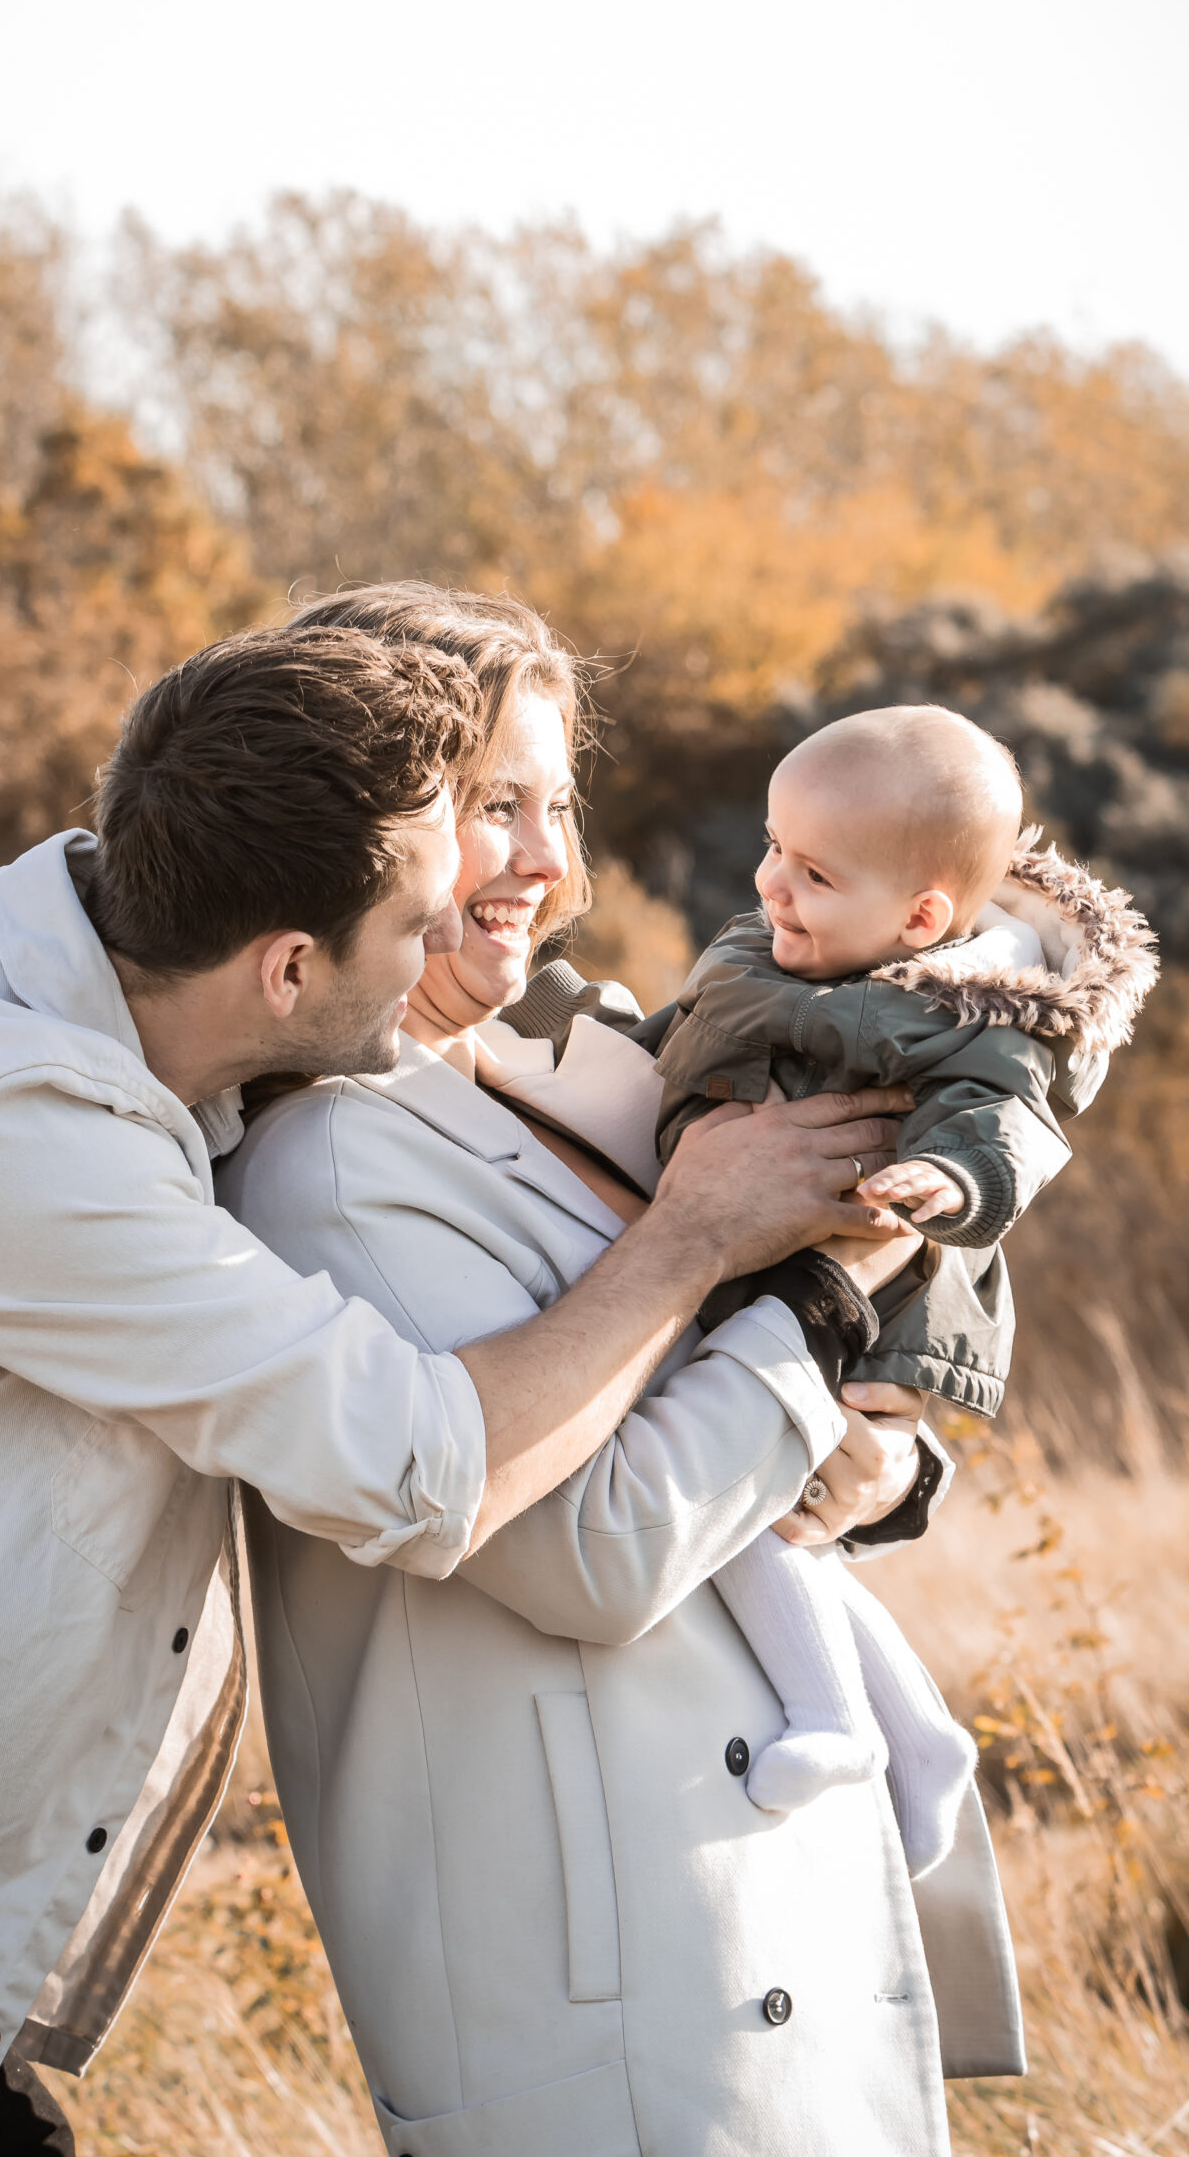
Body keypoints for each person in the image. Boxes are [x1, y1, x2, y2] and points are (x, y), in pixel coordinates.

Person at [0, 623, 915, 2157]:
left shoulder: (118, 963)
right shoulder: (18, 1131)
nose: (456, 936)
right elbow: (422, 1468)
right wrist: (704, 1241)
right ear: (285, 964)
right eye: (417, 914)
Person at [220, 587, 1025, 2157]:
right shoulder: (327, 1169)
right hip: (619, 1998)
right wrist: (820, 1287)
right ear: (363, 832)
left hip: (777, 1907)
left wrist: (876, 1468)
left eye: (555, 804)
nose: (543, 861)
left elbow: (738, 1407)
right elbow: (588, 1554)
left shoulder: (582, 1075)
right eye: (487, 808)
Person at [650, 704, 1158, 1848]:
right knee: (783, 1518)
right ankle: (922, 1738)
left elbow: (1008, 1121)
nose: (772, 883)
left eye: (812, 871)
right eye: (774, 848)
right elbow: (679, 1040)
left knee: (750, 1505)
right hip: (790, 1258)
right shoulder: (785, 952)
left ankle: (838, 1717)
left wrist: (945, 1176)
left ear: (920, 916)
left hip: (872, 1281)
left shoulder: (970, 1011)